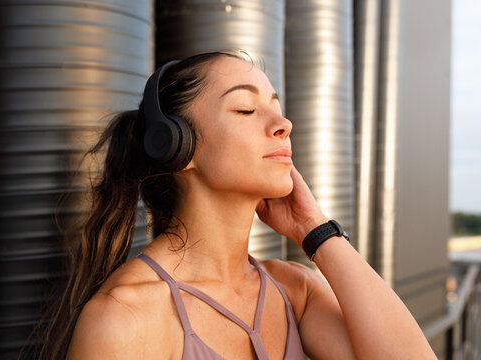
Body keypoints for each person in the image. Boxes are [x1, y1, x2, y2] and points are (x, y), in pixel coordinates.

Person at [36, 50, 436, 359]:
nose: (284, 125)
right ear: (177, 146)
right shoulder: (125, 317)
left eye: (277, 109)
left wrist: (316, 230)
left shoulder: (294, 290)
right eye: (246, 109)